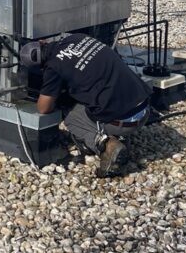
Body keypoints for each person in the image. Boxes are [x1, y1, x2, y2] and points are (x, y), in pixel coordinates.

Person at [20, 32, 152, 177]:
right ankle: (118, 137)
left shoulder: (53, 68)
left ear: (39, 67)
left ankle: (105, 145)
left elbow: (43, 108)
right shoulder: (78, 38)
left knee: (69, 113)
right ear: (42, 41)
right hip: (145, 107)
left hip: (124, 122)